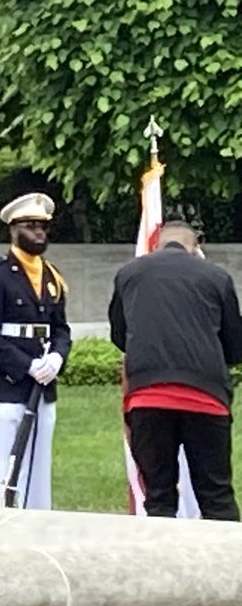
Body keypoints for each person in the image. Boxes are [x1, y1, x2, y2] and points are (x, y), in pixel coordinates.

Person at [109, 220, 242, 520]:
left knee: (158, 497)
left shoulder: (128, 274)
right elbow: (235, 346)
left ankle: (160, 564)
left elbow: (119, 335)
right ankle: (228, 565)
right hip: (206, 399)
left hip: (147, 399)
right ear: (195, 248)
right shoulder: (217, 277)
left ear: (156, 245)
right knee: (217, 495)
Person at [0, 192, 71, 509]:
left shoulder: (51, 276)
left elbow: (61, 329)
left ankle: (39, 524)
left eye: (43, 227)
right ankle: (3, 526)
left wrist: (57, 356)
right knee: (6, 466)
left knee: (39, 469)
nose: (39, 233)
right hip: (7, 385)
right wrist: (25, 365)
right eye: (31, 226)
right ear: (13, 230)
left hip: (42, 387)